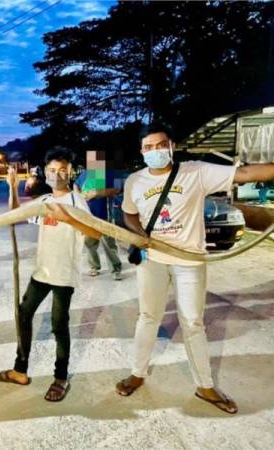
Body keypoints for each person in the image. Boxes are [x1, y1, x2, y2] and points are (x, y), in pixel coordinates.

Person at [115, 123, 274, 414]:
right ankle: (138, 373)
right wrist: (139, 235)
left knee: (192, 322)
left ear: (171, 146)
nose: (155, 151)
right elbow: (128, 212)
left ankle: (205, 385)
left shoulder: (196, 171)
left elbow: (246, 173)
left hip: (189, 261)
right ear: (141, 152)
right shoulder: (134, 181)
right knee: (148, 316)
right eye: (148, 148)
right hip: (153, 259)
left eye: (160, 145)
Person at [0, 147, 101, 402]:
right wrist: (11, 186)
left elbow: (96, 233)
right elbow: (15, 214)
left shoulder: (77, 201)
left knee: (58, 325)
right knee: (24, 313)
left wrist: (68, 218)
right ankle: (20, 369)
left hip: (64, 275)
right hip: (42, 272)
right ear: (45, 172)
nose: (57, 174)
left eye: (62, 170)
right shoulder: (43, 201)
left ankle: (60, 377)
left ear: (71, 172)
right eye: (52, 170)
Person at [75, 150, 123, 280]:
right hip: (88, 216)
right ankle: (94, 266)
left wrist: (98, 193)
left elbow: (117, 189)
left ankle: (115, 268)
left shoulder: (109, 173)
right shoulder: (85, 174)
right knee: (90, 243)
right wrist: (79, 195)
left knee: (109, 244)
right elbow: (76, 185)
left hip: (105, 215)